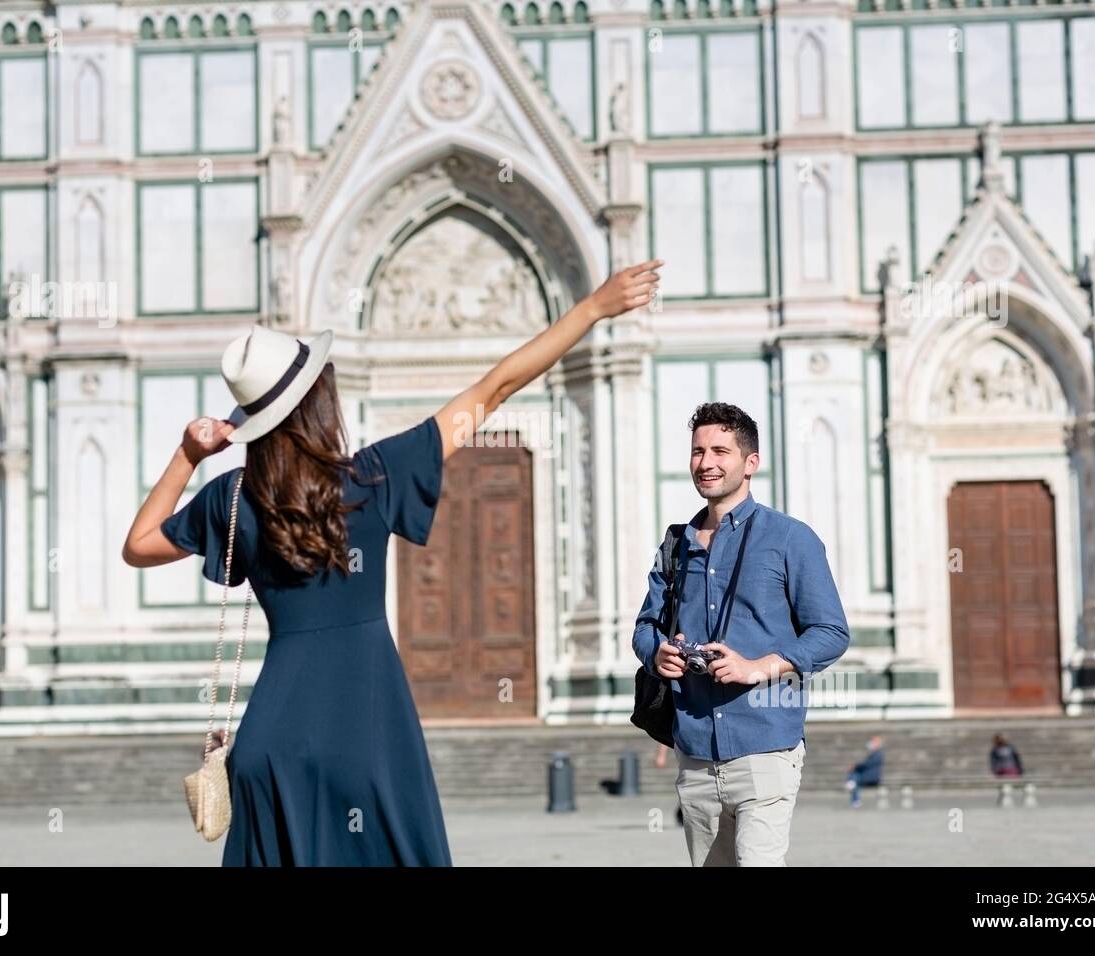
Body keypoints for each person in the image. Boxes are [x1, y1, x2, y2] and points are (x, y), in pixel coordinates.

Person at [123, 259, 662, 866]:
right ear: (318, 401)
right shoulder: (372, 478)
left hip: (269, 744)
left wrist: (190, 454)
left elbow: (139, 544)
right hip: (367, 733)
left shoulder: (232, 498)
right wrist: (592, 308)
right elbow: (495, 389)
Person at [632, 402, 850, 866]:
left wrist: (759, 667)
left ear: (750, 463)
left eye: (720, 451)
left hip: (766, 747)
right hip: (694, 751)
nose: (706, 463)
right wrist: (657, 655)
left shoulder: (792, 539)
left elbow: (831, 631)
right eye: (697, 451)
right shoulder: (676, 544)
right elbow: (646, 626)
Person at [845, 735, 884, 808]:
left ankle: (854, 796)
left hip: (871, 777)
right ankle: (851, 784)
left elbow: (867, 764)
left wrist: (856, 766)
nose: (871, 743)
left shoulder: (878, 754)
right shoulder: (873, 754)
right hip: (866, 774)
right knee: (854, 778)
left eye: (874, 742)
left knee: (854, 778)